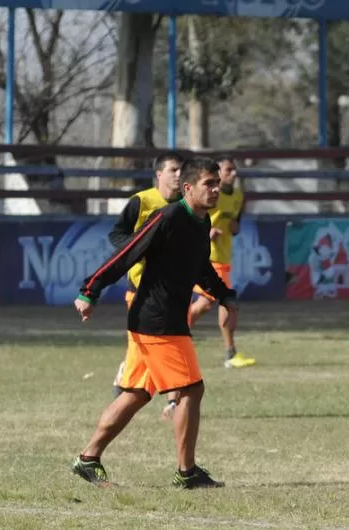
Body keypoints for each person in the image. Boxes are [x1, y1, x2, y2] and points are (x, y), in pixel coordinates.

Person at [71, 157, 237, 489]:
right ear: (189, 188)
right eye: (209, 183)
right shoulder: (168, 216)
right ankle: (186, 472)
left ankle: (88, 459)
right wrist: (90, 290)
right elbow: (127, 252)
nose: (217, 189)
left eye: (217, 182)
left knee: (136, 393)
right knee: (191, 388)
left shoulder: (201, 222)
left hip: (163, 319)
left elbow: (200, 267)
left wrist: (223, 294)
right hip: (156, 321)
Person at [108, 152, 184, 419]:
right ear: (159, 174)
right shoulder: (141, 201)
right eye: (173, 169)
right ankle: (174, 400)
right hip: (140, 290)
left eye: (181, 170)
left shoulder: (186, 205)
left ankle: (173, 399)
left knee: (168, 346)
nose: (178, 174)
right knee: (152, 349)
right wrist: (136, 250)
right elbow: (117, 234)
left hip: (173, 293)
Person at [188, 155, 256, 369]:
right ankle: (230, 353)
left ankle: (175, 331)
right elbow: (190, 220)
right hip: (207, 257)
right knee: (226, 303)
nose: (233, 174)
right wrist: (205, 232)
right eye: (228, 170)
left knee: (205, 304)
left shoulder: (237, 195)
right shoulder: (204, 194)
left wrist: (234, 228)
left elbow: (235, 224)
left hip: (224, 255)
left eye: (234, 170)